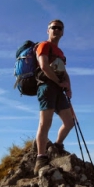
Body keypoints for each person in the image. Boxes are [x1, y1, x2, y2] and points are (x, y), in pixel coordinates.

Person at [34, 19, 74, 175]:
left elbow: (64, 72)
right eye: (53, 28)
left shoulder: (61, 53)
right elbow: (43, 66)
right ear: (48, 30)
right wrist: (59, 82)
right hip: (46, 87)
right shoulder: (44, 46)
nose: (56, 30)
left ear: (62, 32)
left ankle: (57, 146)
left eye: (59, 28)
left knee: (69, 122)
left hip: (58, 89)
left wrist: (68, 87)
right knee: (46, 123)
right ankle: (41, 158)